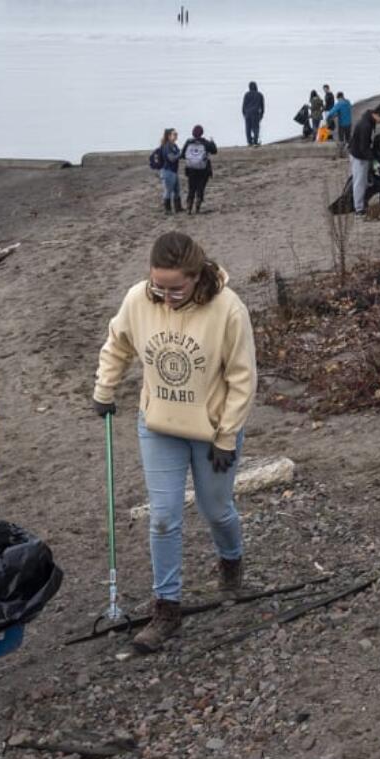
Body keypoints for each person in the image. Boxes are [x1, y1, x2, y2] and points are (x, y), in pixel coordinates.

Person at [92, 231, 256, 654]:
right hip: (159, 425)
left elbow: (242, 379)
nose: (164, 297)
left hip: (212, 432)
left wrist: (225, 436)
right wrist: (104, 391)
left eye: (175, 288)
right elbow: (118, 345)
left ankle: (231, 559)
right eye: (157, 287)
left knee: (216, 509)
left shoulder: (228, 309)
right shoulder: (137, 300)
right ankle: (166, 607)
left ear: (196, 276)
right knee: (163, 517)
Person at [349, 103, 380, 217]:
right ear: (378, 115)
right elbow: (364, 148)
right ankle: (358, 209)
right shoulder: (366, 125)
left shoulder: (370, 120)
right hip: (359, 156)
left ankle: (362, 203)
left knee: (365, 181)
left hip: (363, 155)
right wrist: (374, 161)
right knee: (359, 182)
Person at [181, 125, 218, 215]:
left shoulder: (188, 142)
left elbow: (182, 155)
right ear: (202, 133)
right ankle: (197, 206)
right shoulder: (205, 143)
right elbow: (214, 151)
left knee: (191, 188)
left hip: (191, 169)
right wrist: (213, 142)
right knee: (200, 188)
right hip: (203, 169)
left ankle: (189, 207)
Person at [158, 128, 183, 214]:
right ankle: (167, 210)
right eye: (174, 134)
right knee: (168, 191)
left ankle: (178, 208)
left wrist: (180, 154)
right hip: (167, 171)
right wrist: (180, 155)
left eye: (176, 134)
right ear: (168, 136)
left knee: (177, 190)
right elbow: (171, 158)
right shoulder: (167, 146)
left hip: (173, 171)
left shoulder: (174, 145)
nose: (176, 135)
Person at [325, 92, 353, 157]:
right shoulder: (348, 102)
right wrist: (337, 114)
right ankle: (350, 152)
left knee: (341, 139)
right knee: (348, 138)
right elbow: (344, 111)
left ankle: (341, 153)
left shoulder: (339, 103)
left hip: (342, 124)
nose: (337, 100)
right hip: (349, 123)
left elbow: (331, 112)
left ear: (339, 97)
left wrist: (328, 117)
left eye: (337, 99)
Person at [242, 81, 265, 147]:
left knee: (248, 128)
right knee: (256, 128)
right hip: (255, 113)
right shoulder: (260, 95)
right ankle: (255, 142)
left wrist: (244, 114)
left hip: (247, 113)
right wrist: (261, 115)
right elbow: (262, 106)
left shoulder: (246, 94)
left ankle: (249, 142)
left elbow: (243, 106)